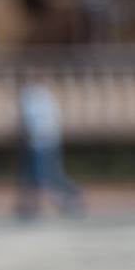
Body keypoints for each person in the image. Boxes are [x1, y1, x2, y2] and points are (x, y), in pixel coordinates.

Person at [15, 81, 83, 218]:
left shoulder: (36, 99)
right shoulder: (38, 98)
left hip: (42, 143)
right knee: (35, 176)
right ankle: (30, 206)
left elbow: (35, 124)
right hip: (41, 143)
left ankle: (64, 201)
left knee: (43, 176)